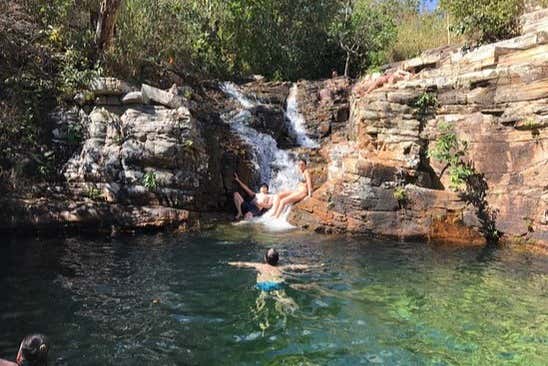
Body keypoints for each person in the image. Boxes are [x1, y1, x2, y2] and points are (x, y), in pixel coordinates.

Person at [229, 248, 310, 291]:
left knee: (261, 299)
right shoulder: (281, 267)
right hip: (277, 284)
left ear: (265, 258)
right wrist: (314, 266)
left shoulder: (259, 266)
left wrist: (231, 263)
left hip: (262, 285)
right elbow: (296, 266)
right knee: (281, 297)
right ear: (278, 259)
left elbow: (243, 264)